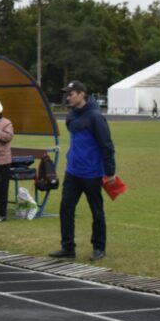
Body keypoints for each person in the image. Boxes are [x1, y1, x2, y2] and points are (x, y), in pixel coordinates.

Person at [50, 81, 117, 262]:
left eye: (71, 94)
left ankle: (99, 247)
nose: (68, 97)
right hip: (73, 172)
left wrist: (110, 172)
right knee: (66, 209)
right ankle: (68, 247)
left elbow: (107, 145)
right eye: (67, 94)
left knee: (96, 211)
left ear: (81, 94)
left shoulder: (95, 117)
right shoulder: (73, 115)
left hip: (92, 174)